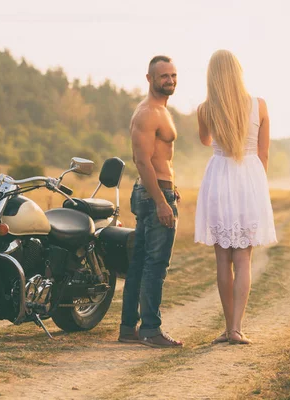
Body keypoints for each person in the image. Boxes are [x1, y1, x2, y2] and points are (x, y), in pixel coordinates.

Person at [194, 49, 277, 345]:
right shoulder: (260, 105)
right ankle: (237, 328)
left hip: (219, 179)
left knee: (222, 259)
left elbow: (205, 141)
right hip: (249, 179)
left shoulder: (206, 109)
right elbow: (264, 153)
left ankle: (227, 327)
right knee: (244, 259)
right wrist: (259, 189)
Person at [118, 55, 183, 348]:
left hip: (156, 190)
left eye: (172, 75)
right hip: (152, 194)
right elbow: (142, 161)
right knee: (155, 265)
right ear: (149, 79)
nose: (169, 80)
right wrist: (160, 201)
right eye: (163, 76)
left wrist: (172, 188)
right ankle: (151, 330)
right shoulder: (147, 113)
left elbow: (160, 158)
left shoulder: (161, 110)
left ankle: (128, 328)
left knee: (140, 263)